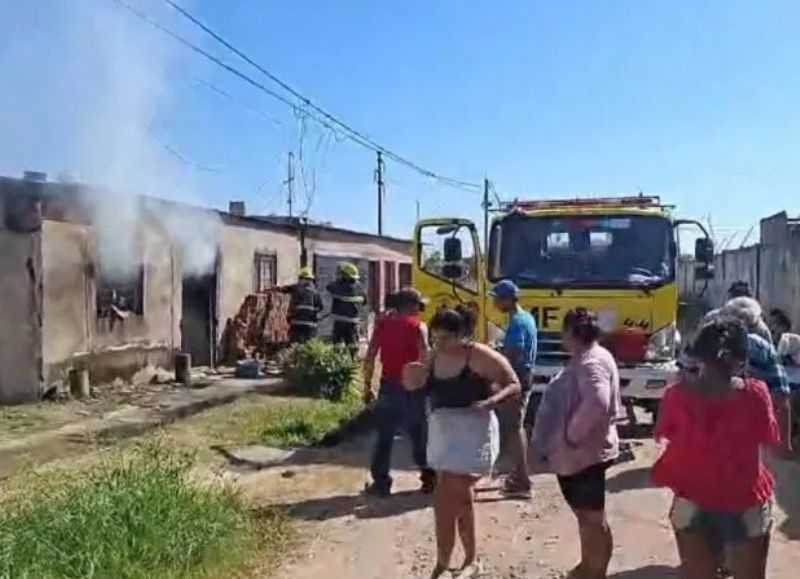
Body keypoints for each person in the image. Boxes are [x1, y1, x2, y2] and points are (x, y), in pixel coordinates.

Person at [652, 316, 787, 579]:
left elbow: (664, 434)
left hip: (692, 500)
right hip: (745, 501)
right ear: (742, 361)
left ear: (698, 356)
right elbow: (770, 438)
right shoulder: (756, 394)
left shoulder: (676, 395)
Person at [403, 308, 520, 578]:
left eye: (445, 338)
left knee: (449, 492)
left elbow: (514, 384)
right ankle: (458, 561)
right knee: (457, 497)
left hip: (474, 431)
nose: (439, 343)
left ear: (460, 335)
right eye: (435, 338)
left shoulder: (478, 355)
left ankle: (451, 562)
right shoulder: (434, 356)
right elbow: (414, 384)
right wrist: (412, 375)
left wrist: (490, 402)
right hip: (444, 432)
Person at [529, 308, 621, 579]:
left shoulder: (592, 362)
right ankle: (589, 566)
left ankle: (595, 571)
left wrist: (571, 436)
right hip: (582, 453)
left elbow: (597, 402)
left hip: (584, 454)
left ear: (571, 332)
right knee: (588, 517)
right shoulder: (593, 356)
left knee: (591, 518)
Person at [363, 288, 435, 497]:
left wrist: (367, 386)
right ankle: (429, 478)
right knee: (419, 434)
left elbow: (370, 356)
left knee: (384, 437)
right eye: (419, 305)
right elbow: (426, 359)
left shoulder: (382, 325)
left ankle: (381, 483)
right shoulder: (419, 327)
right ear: (411, 305)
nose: (420, 309)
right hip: (414, 387)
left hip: (389, 386)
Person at [710, 302, 794, 457]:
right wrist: (784, 444)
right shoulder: (762, 347)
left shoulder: (711, 342)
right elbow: (781, 396)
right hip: (751, 433)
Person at [490, 279, 536, 498]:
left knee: (513, 428)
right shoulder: (526, 318)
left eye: (497, 299)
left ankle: (522, 481)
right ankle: (519, 476)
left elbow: (514, 351)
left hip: (517, 376)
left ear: (507, 300)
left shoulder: (517, 321)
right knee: (515, 427)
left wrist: (496, 362)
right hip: (523, 375)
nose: (494, 303)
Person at [326, 262, 367, 356]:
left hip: (340, 320)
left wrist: (339, 281)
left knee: (338, 343)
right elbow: (365, 302)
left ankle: (338, 359)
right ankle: (353, 359)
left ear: (345, 276)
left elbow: (329, 287)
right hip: (353, 321)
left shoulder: (338, 286)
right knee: (352, 342)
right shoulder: (360, 288)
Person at [286, 267, 323, 344]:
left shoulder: (296, 289)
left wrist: (289, 317)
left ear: (303, 279)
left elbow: (286, 289)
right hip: (310, 326)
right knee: (308, 346)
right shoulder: (315, 292)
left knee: (294, 345)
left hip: (296, 324)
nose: (299, 280)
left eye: (300, 278)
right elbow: (320, 307)